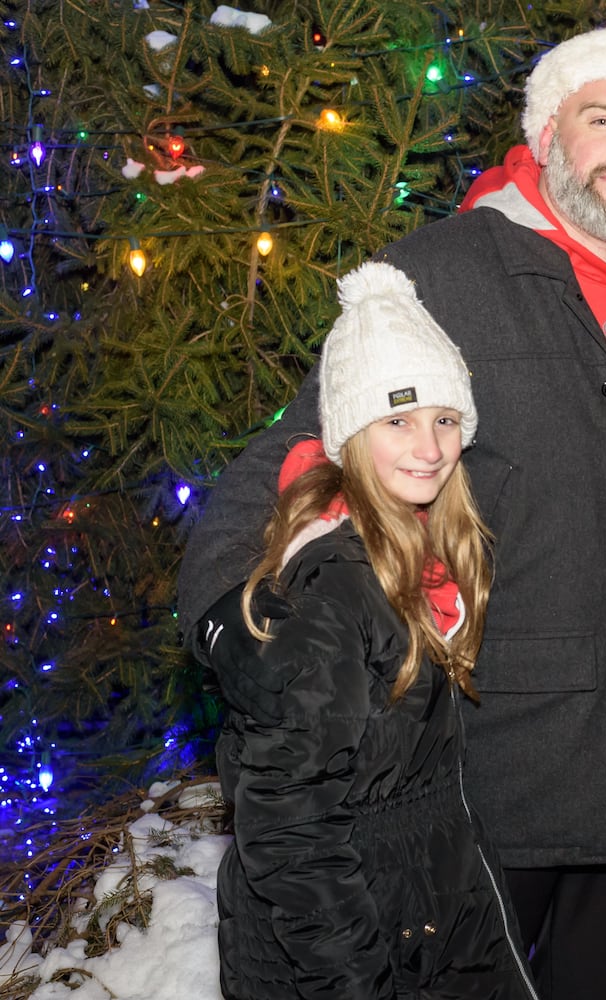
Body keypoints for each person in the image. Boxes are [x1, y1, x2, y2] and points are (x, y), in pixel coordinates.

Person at [178, 26, 606, 1000]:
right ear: (549, 131)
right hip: (493, 772)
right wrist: (230, 606)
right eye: (602, 119)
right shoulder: (448, 270)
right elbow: (306, 438)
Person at [215, 260, 536, 999]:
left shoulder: (425, 558)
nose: (429, 448)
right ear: (352, 435)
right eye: (398, 420)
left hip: (417, 922)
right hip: (352, 952)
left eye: (445, 420)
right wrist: (355, 979)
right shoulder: (335, 592)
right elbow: (289, 825)